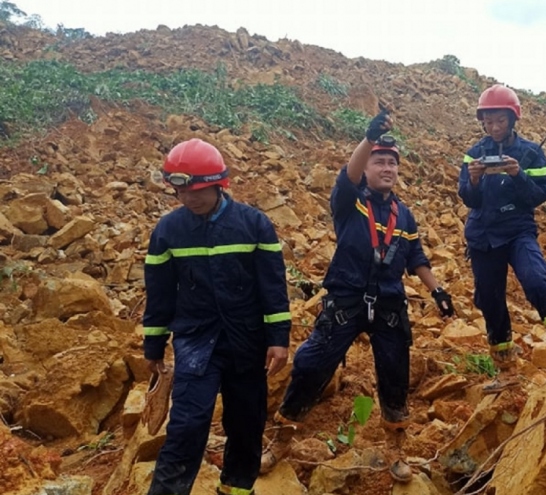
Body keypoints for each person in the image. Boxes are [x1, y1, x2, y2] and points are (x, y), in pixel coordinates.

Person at [261, 108, 456, 481]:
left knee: (395, 373)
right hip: (346, 299)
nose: (386, 168)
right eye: (378, 161)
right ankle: (281, 440)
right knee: (312, 364)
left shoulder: (405, 214)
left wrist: (438, 291)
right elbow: (346, 177)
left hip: (388, 302)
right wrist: (368, 139)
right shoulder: (350, 202)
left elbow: (415, 256)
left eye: (392, 163)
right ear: (366, 168)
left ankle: (396, 449)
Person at [142, 138, 291, 495]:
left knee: (246, 423)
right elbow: (160, 294)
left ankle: (236, 489)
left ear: (218, 183)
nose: (190, 198)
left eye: (197, 190)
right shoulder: (168, 231)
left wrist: (278, 339)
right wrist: (154, 345)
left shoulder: (254, 225)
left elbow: (272, 286)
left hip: (247, 340)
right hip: (197, 342)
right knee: (187, 423)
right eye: (181, 192)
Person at [458, 84, 546, 393]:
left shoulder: (530, 153)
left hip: (517, 231)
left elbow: (540, 194)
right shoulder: (474, 154)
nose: (494, 127)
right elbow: (468, 199)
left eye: (500, 120)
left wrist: (518, 175)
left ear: (513, 119)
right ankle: (506, 369)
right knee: (490, 299)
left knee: (536, 281)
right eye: (488, 121)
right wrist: (473, 180)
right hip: (483, 236)